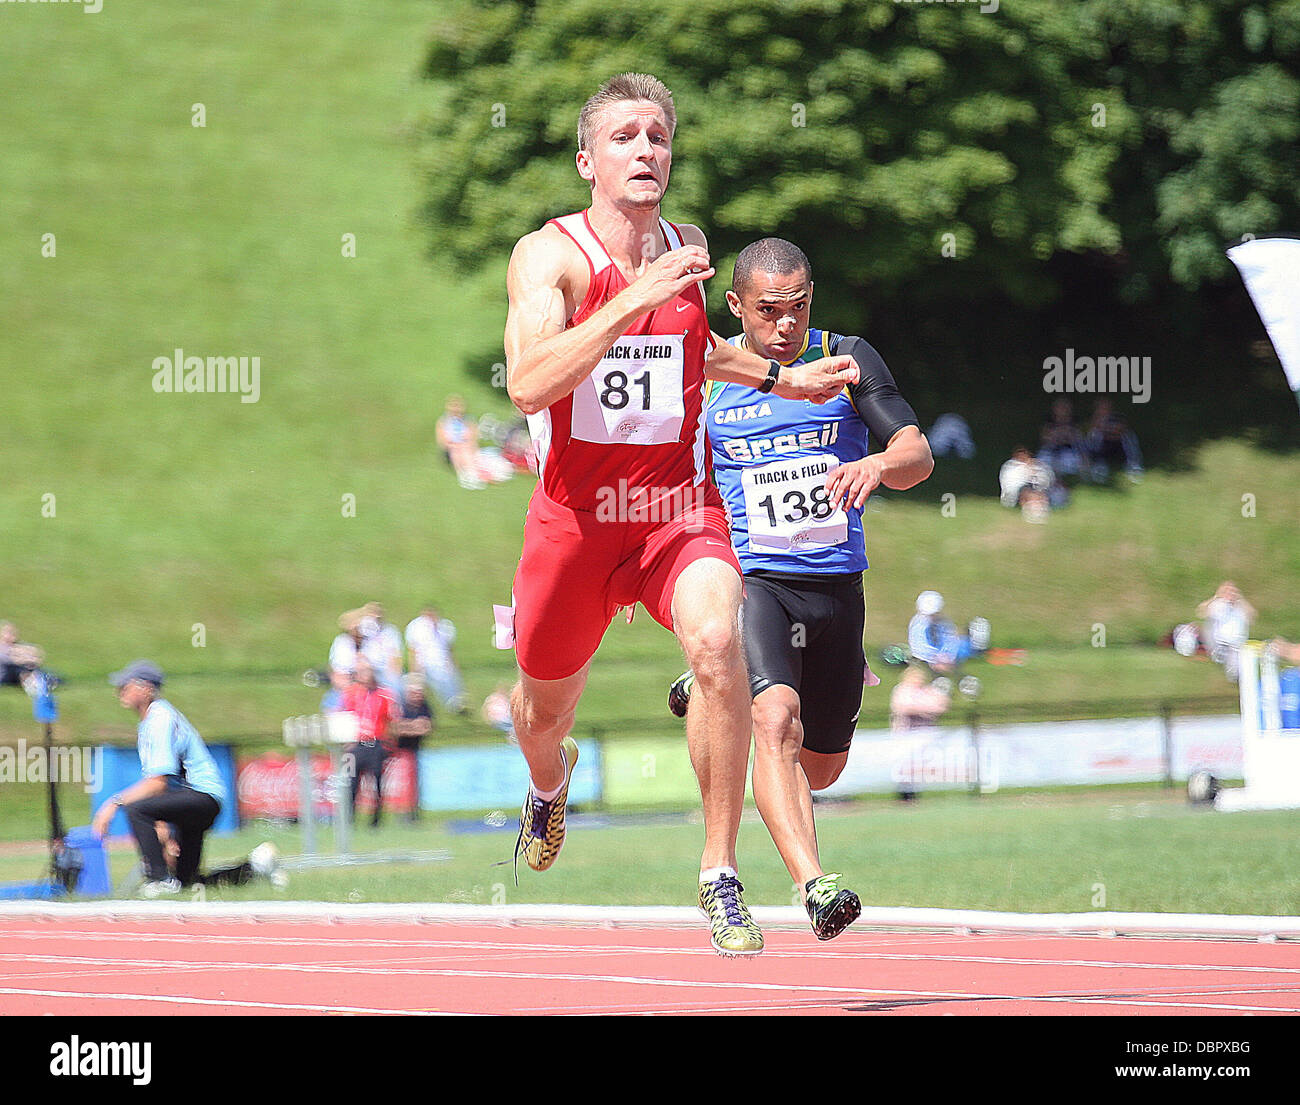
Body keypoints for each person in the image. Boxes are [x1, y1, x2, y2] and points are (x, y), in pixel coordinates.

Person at [502, 73, 858, 956]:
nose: (645, 150)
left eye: (657, 136)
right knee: (543, 711)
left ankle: (718, 872)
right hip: (577, 523)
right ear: (588, 161)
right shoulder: (549, 257)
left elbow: (695, 354)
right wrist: (629, 294)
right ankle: (550, 786)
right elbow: (529, 383)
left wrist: (781, 375)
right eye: (624, 136)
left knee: (717, 639)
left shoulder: (689, 246)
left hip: (673, 510)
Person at [665, 237, 933, 939]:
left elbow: (916, 452)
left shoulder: (845, 356)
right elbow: (674, 484)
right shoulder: (712, 374)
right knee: (774, 721)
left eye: (798, 307)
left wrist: (877, 464)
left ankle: (708, 681)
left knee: (822, 767)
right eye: (768, 310)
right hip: (757, 584)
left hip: (837, 592)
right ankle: (814, 885)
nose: (785, 325)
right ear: (735, 307)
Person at [92, 660, 282, 896]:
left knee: (136, 810)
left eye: (126, 685)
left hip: (200, 796)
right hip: (195, 799)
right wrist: (164, 828)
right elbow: (162, 788)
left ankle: (159, 880)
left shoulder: (159, 719)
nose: (119, 690)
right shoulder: (153, 719)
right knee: (189, 882)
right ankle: (255, 866)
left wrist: (112, 804)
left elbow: (157, 782)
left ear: (147, 688)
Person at [341, 657, 397, 828]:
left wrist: (388, 743)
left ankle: (376, 820)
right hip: (354, 746)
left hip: (376, 744)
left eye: (367, 671)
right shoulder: (349, 694)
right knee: (349, 781)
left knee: (377, 782)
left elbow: (392, 720)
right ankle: (348, 818)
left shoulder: (384, 694)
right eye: (361, 671)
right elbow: (342, 717)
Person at [406, 604, 468, 713]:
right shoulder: (415, 627)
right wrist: (414, 670)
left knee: (450, 680)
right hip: (423, 664)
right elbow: (413, 650)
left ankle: (455, 704)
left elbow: (449, 650)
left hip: (441, 663)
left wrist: (453, 666)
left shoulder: (445, 627)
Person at [907, 591, 988, 674]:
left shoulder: (941, 621)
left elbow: (949, 637)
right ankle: (974, 648)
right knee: (963, 649)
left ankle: (975, 645)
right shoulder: (919, 625)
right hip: (929, 658)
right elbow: (920, 647)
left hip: (944, 653)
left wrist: (949, 655)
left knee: (963, 644)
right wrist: (934, 659)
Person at [393, 673, 433, 821]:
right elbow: (394, 727)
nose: (418, 695)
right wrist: (414, 726)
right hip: (398, 752)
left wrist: (409, 727)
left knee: (415, 785)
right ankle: (401, 813)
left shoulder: (424, 706)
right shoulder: (400, 706)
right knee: (401, 785)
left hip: (415, 750)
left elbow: (427, 726)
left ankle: (413, 814)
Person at [1197, 581, 1256, 682]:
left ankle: (1233, 667)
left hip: (1237, 646)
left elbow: (1252, 617)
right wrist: (1216, 597)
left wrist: (1241, 600)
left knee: (1237, 674)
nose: (1230, 594)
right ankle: (1221, 656)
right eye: (1227, 591)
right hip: (1221, 644)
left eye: (1233, 591)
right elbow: (1201, 612)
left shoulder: (1241, 607)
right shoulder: (1218, 605)